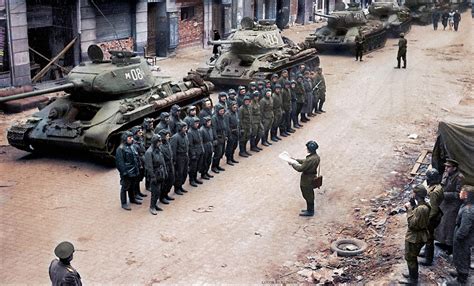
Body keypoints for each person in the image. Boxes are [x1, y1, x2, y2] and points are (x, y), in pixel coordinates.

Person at [400, 185, 431, 285]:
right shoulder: (424, 205)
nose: (412, 194)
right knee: (412, 257)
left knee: (410, 257)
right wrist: (413, 206)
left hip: (414, 237)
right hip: (419, 235)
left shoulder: (421, 209)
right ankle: (412, 274)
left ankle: (413, 280)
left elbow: (412, 224)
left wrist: (409, 210)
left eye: (413, 192)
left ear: (416, 194)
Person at [435, 158, 465, 254]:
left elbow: (459, 194)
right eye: (446, 166)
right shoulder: (446, 174)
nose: (446, 168)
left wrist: (445, 194)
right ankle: (442, 242)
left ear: (455, 168)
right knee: (441, 223)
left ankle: (450, 246)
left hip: (453, 205)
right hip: (445, 203)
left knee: (449, 225)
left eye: (448, 167)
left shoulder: (460, 178)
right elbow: (442, 185)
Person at [447, 185, 474, 286]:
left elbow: (464, 229)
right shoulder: (466, 205)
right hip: (461, 236)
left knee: (462, 256)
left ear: (467, 195)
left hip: (464, 239)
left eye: (462, 192)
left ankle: (461, 278)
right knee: (459, 255)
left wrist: (458, 237)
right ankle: (459, 271)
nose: (459, 193)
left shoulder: (468, 210)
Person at [419, 169, 444, 266]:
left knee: (429, 238)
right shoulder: (438, 187)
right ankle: (426, 253)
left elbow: (433, 209)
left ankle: (428, 259)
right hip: (435, 215)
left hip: (432, 217)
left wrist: (426, 219)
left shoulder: (434, 192)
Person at [290, 141, 320, 217]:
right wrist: (296, 160)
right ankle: (309, 209)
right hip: (311, 176)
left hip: (307, 179)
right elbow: (305, 161)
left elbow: (300, 168)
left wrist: (293, 164)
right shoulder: (316, 157)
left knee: (307, 194)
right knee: (309, 194)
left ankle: (310, 211)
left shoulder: (310, 159)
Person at [116, 131, 141, 210]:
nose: (132, 139)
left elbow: (135, 157)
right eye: (130, 138)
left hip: (133, 170)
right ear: (125, 139)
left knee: (132, 186)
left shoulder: (132, 146)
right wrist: (124, 172)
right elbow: (120, 162)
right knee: (125, 187)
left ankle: (132, 199)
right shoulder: (120, 149)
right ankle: (124, 203)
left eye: (132, 137)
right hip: (127, 172)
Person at [145, 134, 167, 215]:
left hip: (160, 172)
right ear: (155, 142)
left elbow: (162, 161)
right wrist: (152, 176)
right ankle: (152, 206)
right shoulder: (149, 152)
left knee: (159, 191)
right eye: (159, 141)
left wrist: (165, 171)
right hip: (155, 173)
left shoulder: (158, 149)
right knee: (155, 191)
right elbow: (149, 166)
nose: (160, 143)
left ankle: (155, 204)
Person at [170, 122, 189, 195]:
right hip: (179, 157)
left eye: (186, 128)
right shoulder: (175, 137)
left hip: (185, 156)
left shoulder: (185, 135)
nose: (185, 129)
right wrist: (174, 160)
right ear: (180, 129)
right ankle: (177, 188)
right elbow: (173, 150)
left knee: (184, 172)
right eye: (184, 128)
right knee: (179, 173)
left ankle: (180, 186)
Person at [158, 129, 175, 204]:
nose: (168, 137)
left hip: (170, 163)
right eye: (167, 136)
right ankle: (162, 196)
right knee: (165, 182)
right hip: (165, 165)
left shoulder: (167, 143)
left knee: (171, 180)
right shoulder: (160, 146)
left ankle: (166, 194)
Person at [187, 118, 204, 187]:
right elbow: (190, 145)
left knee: (197, 166)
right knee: (193, 167)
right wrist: (193, 154)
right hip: (194, 153)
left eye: (198, 123)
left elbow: (200, 141)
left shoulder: (198, 130)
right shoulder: (190, 132)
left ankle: (195, 178)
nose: (197, 125)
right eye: (195, 123)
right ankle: (192, 180)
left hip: (199, 151)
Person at [211, 104, 228, 173]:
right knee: (218, 153)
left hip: (223, 136)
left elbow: (225, 126)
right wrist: (215, 138)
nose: (222, 112)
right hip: (218, 137)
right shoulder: (214, 118)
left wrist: (225, 135)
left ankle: (217, 165)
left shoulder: (222, 117)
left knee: (222, 152)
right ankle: (214, 166)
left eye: (223, 111)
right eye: (220, 111)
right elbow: (214, 129)